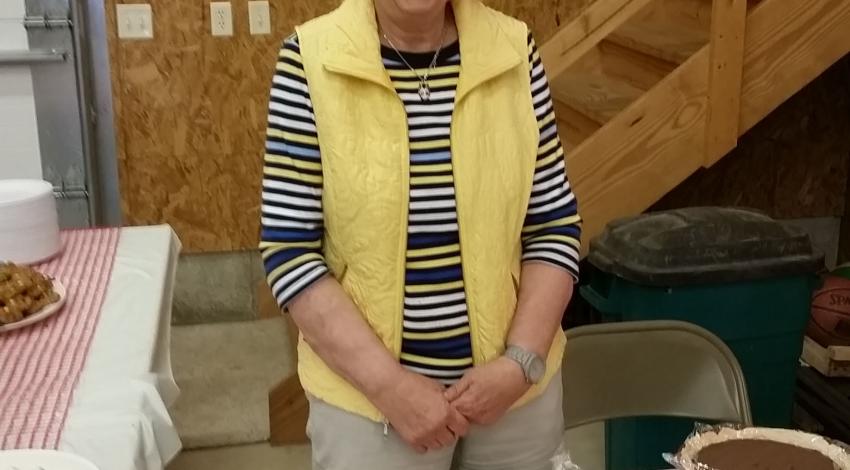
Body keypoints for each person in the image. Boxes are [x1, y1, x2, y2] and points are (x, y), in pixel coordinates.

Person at [259, 0, 582, 468]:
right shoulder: (310, 59)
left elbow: (553, 226)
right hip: (371, 410)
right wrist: (390, 387)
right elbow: (291, 253)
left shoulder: (513, 48)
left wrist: (520, 363)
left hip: (516, 400)